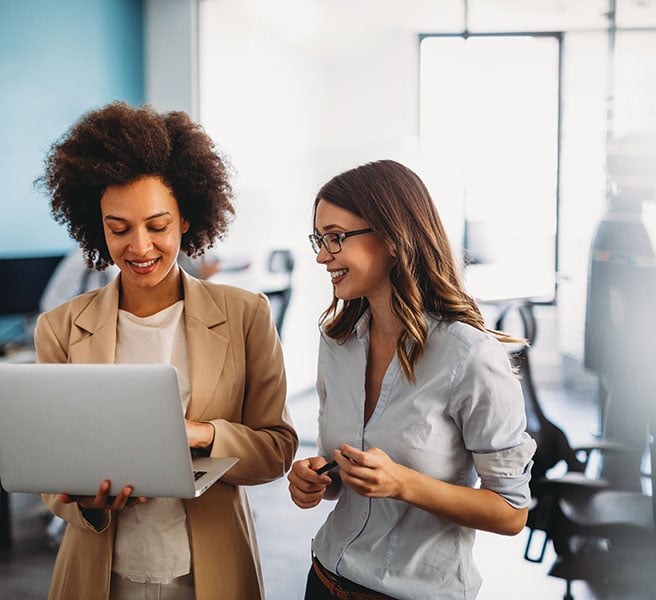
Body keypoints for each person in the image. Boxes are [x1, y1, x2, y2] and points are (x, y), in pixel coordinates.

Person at [34, 101, 298, 600]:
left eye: (158, 226)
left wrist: (200, 434)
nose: (139, 247)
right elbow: (52, 476)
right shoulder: (62, 328)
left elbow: (277, 448)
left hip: (211, 571)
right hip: (100, 574)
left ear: (187, 220)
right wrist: (87, 502)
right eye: (119, 228)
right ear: (96, 227)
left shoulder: (246, 315)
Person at [287, 159, 536, 600]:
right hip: (324, 580)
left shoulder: (469, 356)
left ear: (392, 237)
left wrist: (403, 483)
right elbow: (343, 471)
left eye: (335, 238)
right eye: (320, 240)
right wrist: (318, 479)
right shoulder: (337, 343)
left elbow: (512, 511)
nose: (322, 256)